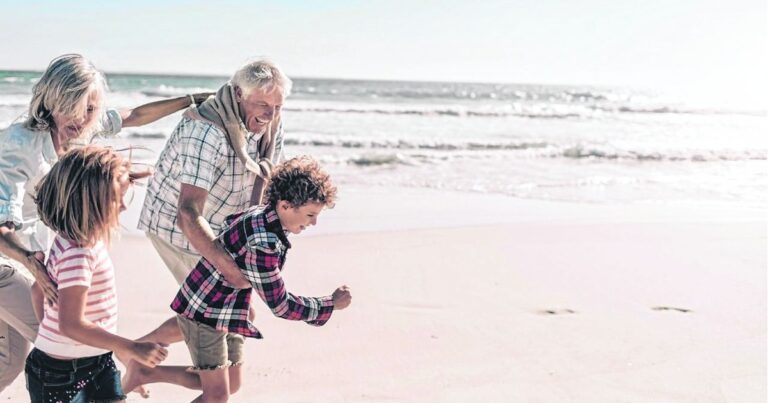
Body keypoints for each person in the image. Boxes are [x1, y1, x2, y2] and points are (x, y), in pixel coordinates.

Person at [0, 53, 211, 394]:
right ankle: (121, 369)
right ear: (52, 99)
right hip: (9, 262)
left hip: (35, 262)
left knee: (9, 362)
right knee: (61, 342)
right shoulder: (18, 145)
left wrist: (189, 100)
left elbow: (134, 115)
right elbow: (2, 226)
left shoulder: (83, 128)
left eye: (90, 109)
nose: (81, 119)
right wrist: (30, 262)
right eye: (73, 107)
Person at [126, 156, 351, 403]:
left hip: (230, 310)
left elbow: (231, 221)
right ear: (285, 206)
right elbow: (281, 306)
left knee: (231, 384)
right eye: (310, 214)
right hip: (206, 312)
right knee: (217, 395)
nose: (314, 223)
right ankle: (143, 369)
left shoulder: (262, 213)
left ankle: (145, 373)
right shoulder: (263, 245)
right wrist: (330, 304)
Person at [25, 146, 168, 403]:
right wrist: (131, 347)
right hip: (60, 374)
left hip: (97, 359)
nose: (124, 206)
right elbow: (71, 325)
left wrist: (49, 337)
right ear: (88, 202)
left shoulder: (74, 240)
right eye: (116, 198)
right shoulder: (78, 254)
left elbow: (38, 291)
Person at [138, 59, 290, 289]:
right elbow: (188, 212)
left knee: (233, 307)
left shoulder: (271, 122)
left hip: (221, 224)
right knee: (217, 309)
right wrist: (230, 268)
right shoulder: (206, 130)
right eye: (262, 104)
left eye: (278, 106)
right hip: (178, 231)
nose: (270, 114)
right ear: (238, 94)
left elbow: (272, 181)